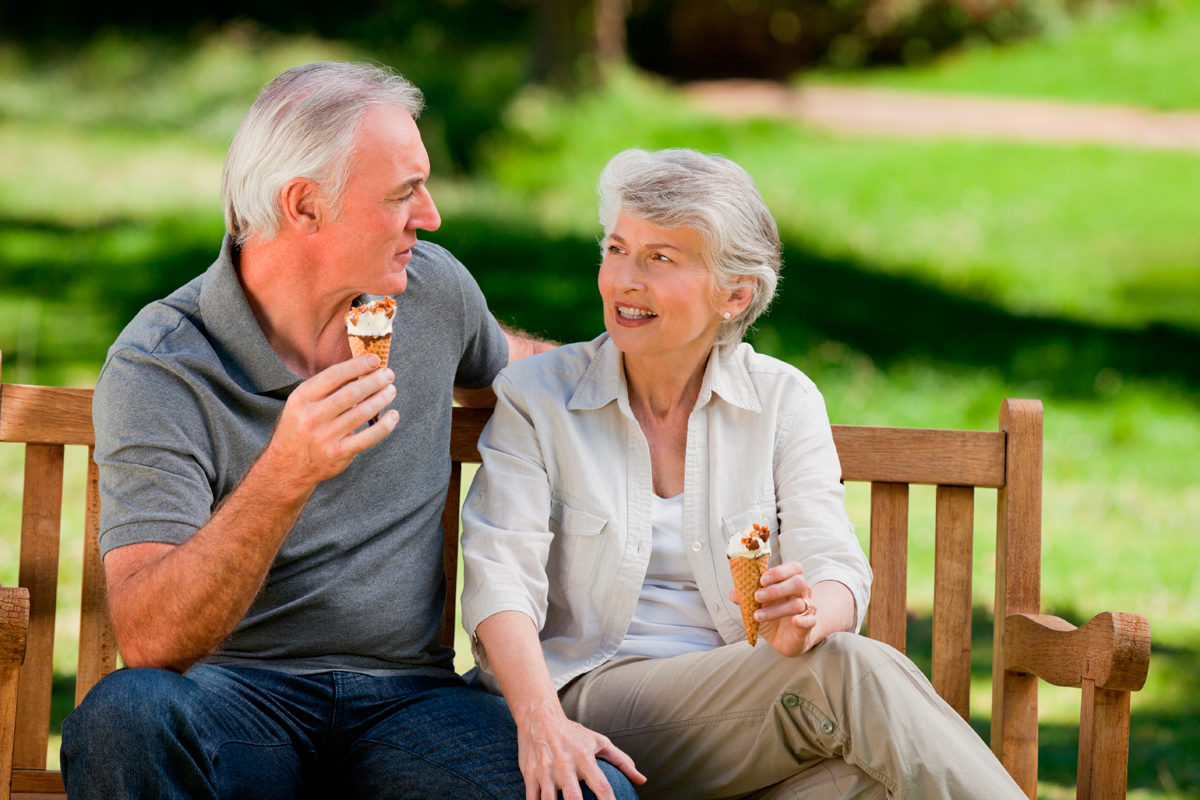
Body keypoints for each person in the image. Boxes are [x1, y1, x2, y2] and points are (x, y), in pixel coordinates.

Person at [60, 61, 637, 800]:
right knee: (122, 717)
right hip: (236, 702)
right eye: (403, 193)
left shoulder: (430, 293)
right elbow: (148, 639)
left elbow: (528, 366)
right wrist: (288, 470)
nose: (429, 215)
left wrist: (672, 361)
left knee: (594, 794)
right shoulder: (164, 363)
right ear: (303, 205)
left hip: (409, 705)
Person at [459, 148, 1029, 799]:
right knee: (843, 673)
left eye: (660, 258)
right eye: (616, 250)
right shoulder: (539, 397)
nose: (623, 279)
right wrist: (543, 724)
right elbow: (500, 576)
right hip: (587, 705)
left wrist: (810, 619)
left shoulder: (783, 400)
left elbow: (833, 562)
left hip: (738, 724)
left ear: (735, 295)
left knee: (869, 786)